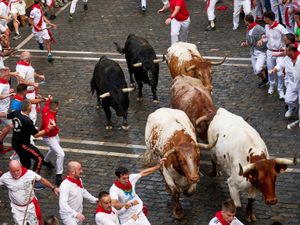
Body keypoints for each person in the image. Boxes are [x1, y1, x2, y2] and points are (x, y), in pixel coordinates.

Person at [5, 100, 55, 177]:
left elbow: (8, 116)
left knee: (26, 163)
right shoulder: (27, 121)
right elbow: (36, 135)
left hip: (15, 143)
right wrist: (48, 129)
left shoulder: (16, 112)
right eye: (31, 105)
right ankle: (34, 179)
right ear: (29, 108)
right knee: (39, 158)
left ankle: (23, 177)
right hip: (23, 145)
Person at [0, 160, 59, 225]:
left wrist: (53, 188)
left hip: (31, 206)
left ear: (21, 167)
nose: (16, 173)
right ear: (9, 170)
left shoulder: (29, 174)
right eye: (13, 171)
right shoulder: (5, 178)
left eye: (18, 170)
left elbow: (41, 179)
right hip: (17, 208)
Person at [110, 158, 166, 225]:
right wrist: (128, 204)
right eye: (124, 178)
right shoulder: (114, 189)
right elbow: (114, 204)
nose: (127, 180)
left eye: (127, 177)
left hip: (138, 213)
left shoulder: (131, 178)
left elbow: (143, 173)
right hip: (127, 218)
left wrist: (158, 166)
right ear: (118, 178)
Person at [257, 11, 289, 99]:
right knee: (270, 71)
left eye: (264, 18)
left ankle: (280, 90)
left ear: (268, 18)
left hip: (279, 52)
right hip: (270, 52)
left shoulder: (280, 27)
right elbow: (266, 37)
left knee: (280, 74)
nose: (263, 19)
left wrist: (286, 47)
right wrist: (261, 40)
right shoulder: (266, 26)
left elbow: (288, 36)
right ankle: (272, 85)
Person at [41, 96, 65, 186]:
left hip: (54, 135)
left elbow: (47, 104)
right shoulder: (50, 118)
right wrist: (51, 127)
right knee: (61, 154)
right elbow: (47, 128)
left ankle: (46, 161)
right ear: (57, 108)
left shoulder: (47, 108)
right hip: (50, 137)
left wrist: (49, 99)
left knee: (53, 149)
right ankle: (58, 176)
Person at [16, 51, 45, 124]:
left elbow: (31, 71)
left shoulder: (26, 64)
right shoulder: (22, 68)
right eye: (30, 57)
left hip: (30, 92)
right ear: (28, 59)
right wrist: (33, 84)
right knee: (32, 113)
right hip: (27, 93)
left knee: (31, 111)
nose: (31, 59)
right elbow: (21, 81)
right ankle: (30, 131)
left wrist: (38, 76)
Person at [241, 14, 268, 87]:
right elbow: (249, 42)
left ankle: (265, 69)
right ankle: (264, 80)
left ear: (247, 21)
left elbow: (266, 38)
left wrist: (261, 41)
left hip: (261, 52)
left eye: (244, 20)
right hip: (253, 52)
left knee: (258, 69)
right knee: (256, 72)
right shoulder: (248, 28)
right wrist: (245, 43)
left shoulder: (259, 29)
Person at [0, 66, 19, 152]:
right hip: (1, 111)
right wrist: (9, 95)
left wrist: (8, 92)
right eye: (9, 74)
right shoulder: (2, 84)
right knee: (10, 125)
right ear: (4, 75)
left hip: (4, 109)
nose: (10, 76)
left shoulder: (6, 82)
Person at [283, 44, 300, 121]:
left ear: (291, 51)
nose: (285, 52)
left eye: (286, 50)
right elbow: (281, 64)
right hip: (292, 83)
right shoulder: (287, 58)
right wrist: (275, 69)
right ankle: (291, 107)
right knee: (287, 99)